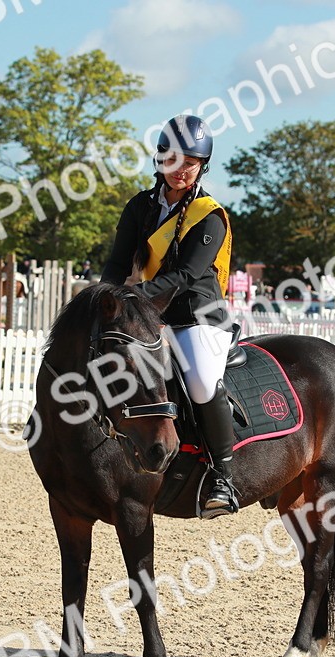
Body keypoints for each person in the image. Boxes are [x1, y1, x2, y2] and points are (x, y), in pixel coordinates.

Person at [101, 114, 237, 518]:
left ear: (202, 166)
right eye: (173, 159)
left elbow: (186, 275)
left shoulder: (209, 215)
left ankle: (223, 476)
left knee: (198, 383)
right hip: (148, 311)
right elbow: (116, 263)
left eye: (190, 163)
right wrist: (108, 298)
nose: (181, 170)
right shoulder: (140, 206)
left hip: (197, 315)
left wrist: (136, 295)